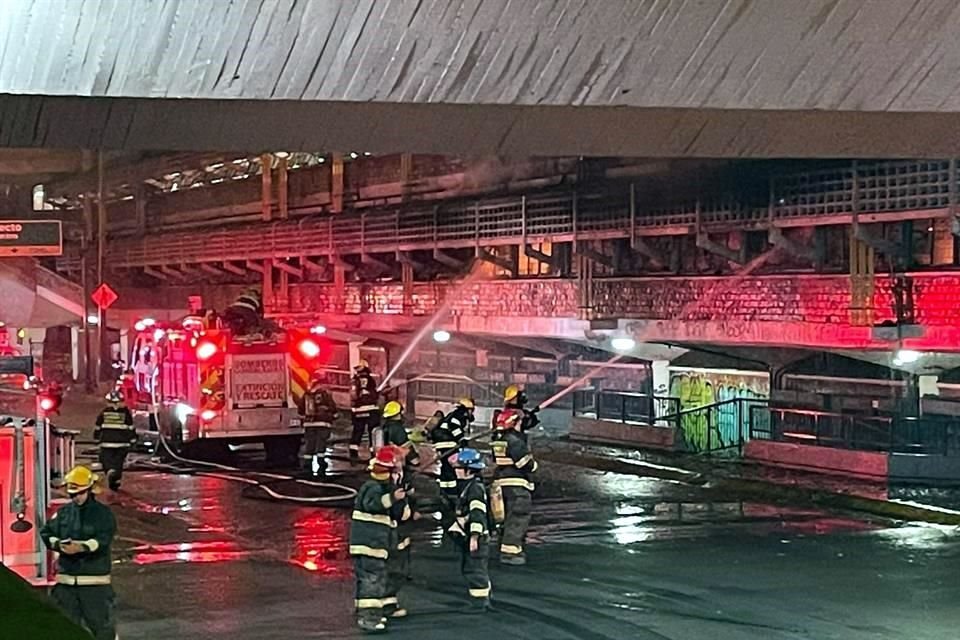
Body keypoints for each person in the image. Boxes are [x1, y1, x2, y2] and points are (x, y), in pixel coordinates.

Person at [40, 465, 118, 640]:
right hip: (66, 586)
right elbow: (46, 532)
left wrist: (82, 547)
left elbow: (104, 538)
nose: (76, 498)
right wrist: (58, 544)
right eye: (72, 494)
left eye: (79, 493)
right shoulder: (64, 513)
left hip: (94, 585)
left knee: (102, 630)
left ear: (90, 490)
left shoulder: (103, 514)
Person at [350, 447, 406, 633]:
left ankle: (374, 609)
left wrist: (398, 493)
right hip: (369, 545)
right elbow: (373, 504)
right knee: (371, 581)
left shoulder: (384, 487)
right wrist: (392, 497)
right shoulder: (373, 488)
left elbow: (398, 514)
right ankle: (368, 618)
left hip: (375, 545)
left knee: (373, 579)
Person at [491, 408, 539, 566]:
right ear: (514, 423)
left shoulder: (499, 440)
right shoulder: (515, 441)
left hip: (501, 484)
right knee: (518, 517)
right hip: (517, 485)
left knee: (506, 518)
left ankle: (504, 546)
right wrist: (534, 465)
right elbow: (525, 464)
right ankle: (510, 553)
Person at [450, 448, 492, 612]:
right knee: (474, 568)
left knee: (474, 570)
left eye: (458, 468)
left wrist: (474, 536)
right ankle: (484, 600)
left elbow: (478, 513)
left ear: (469, 469)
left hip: (477, 538)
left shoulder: (474, 488)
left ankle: (479, 604)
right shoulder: (469, 486)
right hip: (474, 536)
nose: (456, 471)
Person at [429, 400, 475, 529]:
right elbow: (454, 427)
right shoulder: (460, 415)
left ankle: (446, 490)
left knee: (446, 468)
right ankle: (452, 493)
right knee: (451, 467)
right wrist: (461, 439)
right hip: (448, 443)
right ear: (468, 409)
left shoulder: (454, 414)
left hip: (442, 443)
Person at [94, 391, 136, 491]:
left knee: (106, 459)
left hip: (106, 443)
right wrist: (133, 440)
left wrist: (96, 438)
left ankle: (110, 471)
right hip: (122, 444)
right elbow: (131, 428)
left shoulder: (104, 413)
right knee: (118, 462)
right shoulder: (126, 414)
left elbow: (97, 427)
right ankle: (116, 479)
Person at [302, 370, 338, 474]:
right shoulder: (325, 394)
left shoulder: (306, 394)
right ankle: (321, 464)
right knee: (321, 445)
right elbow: (333, 408)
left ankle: (307, 464)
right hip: (323, 423)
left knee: (310, 444)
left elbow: (300, 409)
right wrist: (333, 416)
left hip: (309, 423)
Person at [350, 360, 380, 463]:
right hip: (371, 409)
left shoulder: (354, 381)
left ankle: (353, 453)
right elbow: (373, 393)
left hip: (357, 410)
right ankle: (373, 453)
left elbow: (353, 395)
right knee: (373, 432)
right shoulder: (370, 380)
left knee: (358, 431)